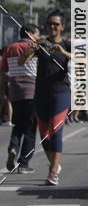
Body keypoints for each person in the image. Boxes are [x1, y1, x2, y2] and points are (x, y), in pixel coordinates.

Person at [19, 10, 71, 186]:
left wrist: (63, 52)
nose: (52, 27)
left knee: (55, 132)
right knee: (44, 135)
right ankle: (55, 164)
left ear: (62, 26)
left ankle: (53, 172)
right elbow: (21, 62)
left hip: (61, 92)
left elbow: (80, 59)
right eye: (49, 23)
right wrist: (28, 51)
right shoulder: (40, 44)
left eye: (56, 24)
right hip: (41, 93)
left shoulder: (67, 44)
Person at [1, 24, 40, 173]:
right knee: (30, 129)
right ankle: (24, 164)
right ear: (30, 33)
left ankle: (13, 147)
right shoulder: (35, 47)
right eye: (36, 33)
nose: (38, 36)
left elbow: (3, 70)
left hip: (15, 92)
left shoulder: (9, 48)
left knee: (17, 125)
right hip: (32, 91)